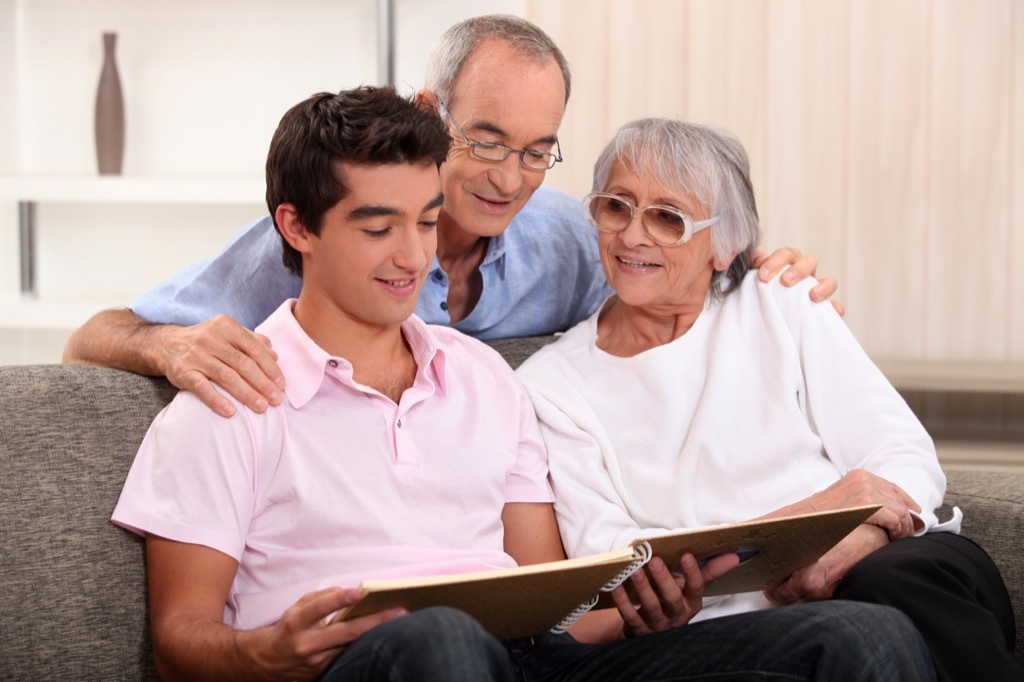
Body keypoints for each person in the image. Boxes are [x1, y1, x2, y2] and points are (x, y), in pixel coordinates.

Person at [109, 86, 935, 682]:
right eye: (376, 226)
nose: (412, 256)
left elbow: (555, 604)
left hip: (533, 662)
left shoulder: (484, 379)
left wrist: (651, 607)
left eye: (428, 220)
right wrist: (261, 655)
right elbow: (181, 640)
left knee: (861, 636)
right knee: (440, 640)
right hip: (373, 664)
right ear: (296, 227)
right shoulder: (226, 396)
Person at [63, 14, 839, 420]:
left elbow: (678, 288)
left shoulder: (569, 240)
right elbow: (90, 338)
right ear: (430, 113)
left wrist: (764, 274)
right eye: (488, 140)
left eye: (538, 151)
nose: (510, 179)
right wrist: (169, 343)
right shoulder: (320, 244)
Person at [515, 117, 1023, 682]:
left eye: (668, 218)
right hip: (736, 627)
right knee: (864, 627)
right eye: (616, 207)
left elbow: (901, 453)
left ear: (725, 243)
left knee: (893, 583)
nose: (633, 235)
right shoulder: (550, 386)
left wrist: (859, 534)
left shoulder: (779, 303)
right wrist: (810, 518)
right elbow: (613, 559)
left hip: (880, 558)